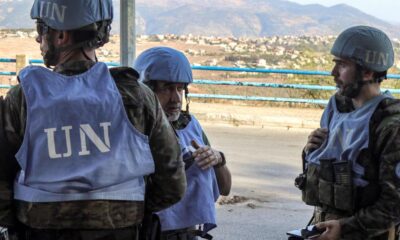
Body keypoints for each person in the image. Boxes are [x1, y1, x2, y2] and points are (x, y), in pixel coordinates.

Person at [0, 1, 186, 239]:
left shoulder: (24, 98)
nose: (38, 39)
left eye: (41, 30)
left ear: (61, 36)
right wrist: (128, 213)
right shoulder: (136, 95)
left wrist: (21, 224)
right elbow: (172, 183)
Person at [296, 25, 400, 240]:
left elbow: (394, 203)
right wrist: (311, 150)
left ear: (368, 72)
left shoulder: (390, 125)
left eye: (342, 65)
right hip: (325, 224)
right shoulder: (338, 107)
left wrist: (347, 228)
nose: (333, 73)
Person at [133, 47, 232, 240]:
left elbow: (225, 188)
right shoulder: (135, 129)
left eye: (180, 88)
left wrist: (218, 159)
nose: (176, 98)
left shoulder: (190, 126)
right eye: (167, 88)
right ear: (146, 90)